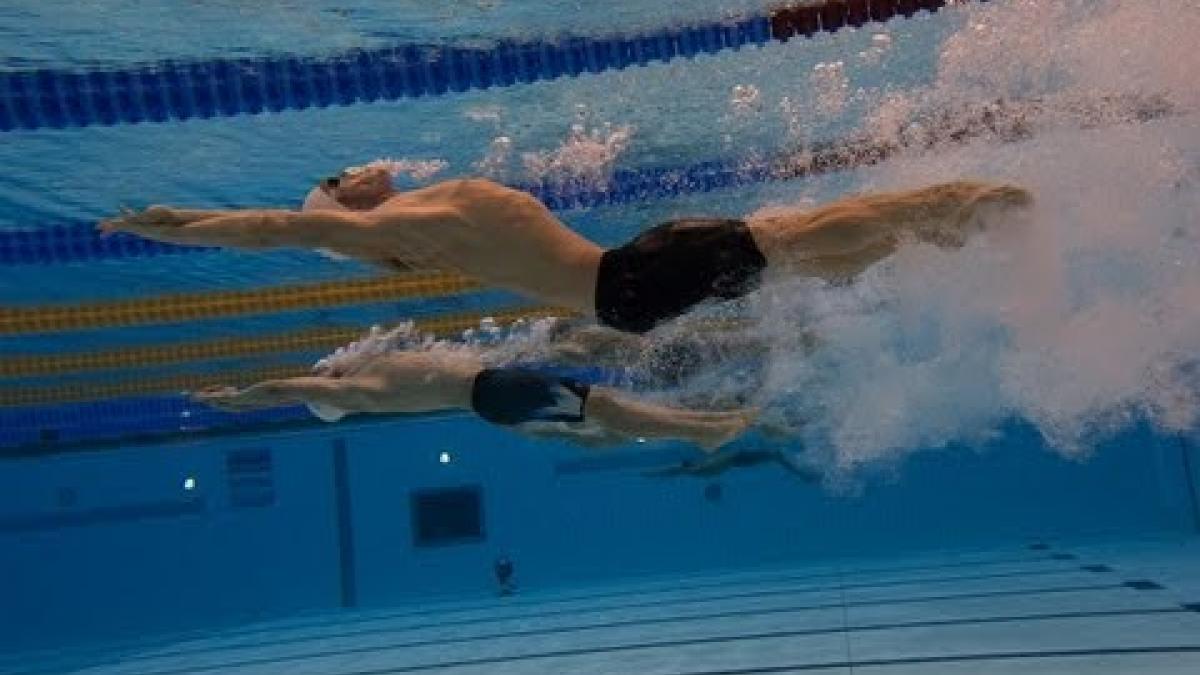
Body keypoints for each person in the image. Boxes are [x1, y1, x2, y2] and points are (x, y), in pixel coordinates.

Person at [99, 167, 1033, 334]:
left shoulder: (417, 208)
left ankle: (945, 234)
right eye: (341, 175)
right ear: (342, 200)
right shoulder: (385, 228)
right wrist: (173, 221)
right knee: (807, 231)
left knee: (806, 250)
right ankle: (974, 210)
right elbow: (275, 227)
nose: (357, 168)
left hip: (624, 286)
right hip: (626, 277)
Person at [193, 348, 753, 451]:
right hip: (492, 393)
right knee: (600, 405)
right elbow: (286, 389)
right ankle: (702, 430)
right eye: (326, 374)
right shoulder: (357, 391)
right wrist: (239, 400)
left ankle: (705, 423)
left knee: (599, 403)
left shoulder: (369, 371)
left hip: (493, 390)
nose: (328, 366)